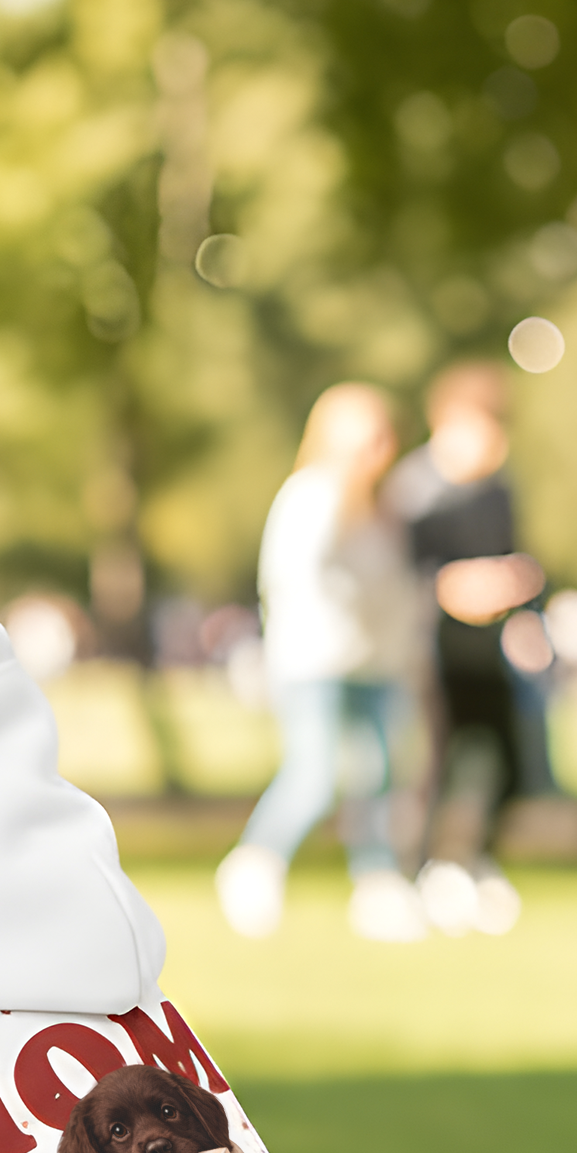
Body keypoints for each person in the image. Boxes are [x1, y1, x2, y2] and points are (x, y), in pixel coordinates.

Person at [217, 382, 431, 945]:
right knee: (313, 778)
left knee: (381, 777)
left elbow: (400, 592)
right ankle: (254, 865)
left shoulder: (387, 511)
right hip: (314, 662)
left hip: (376, 665)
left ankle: (379, 885)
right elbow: (297, 581)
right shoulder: (310, 498)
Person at [386, 363, 551, 937]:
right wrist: (450, 590)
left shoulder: (497, 491)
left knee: (508, 763)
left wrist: (521, 601)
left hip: (486, 653)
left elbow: (520, 562)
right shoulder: (414, 492)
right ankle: (415, 875)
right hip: (426, 652)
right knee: (430, 768)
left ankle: (470, 861)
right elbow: (400, 578)